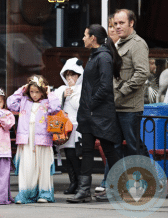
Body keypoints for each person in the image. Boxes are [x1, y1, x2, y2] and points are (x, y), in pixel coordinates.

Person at [67, 24, 122, 203]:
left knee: (108, 150)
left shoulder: (103, 57)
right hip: (91, 113)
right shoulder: (95, 56)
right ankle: (83, 191)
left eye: (85, 35)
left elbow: (106, 87)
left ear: (93, 38)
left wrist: (91, 104)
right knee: (87, 150)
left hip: (100, 113)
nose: (83, 38)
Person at [7, 75, 61, 204]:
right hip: (26, 139)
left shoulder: (47, 102)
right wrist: (21, 90)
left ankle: (44, 194)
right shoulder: (24, 101)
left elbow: (56, 108)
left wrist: (50, 93)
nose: (34, 95)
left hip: (42, 139)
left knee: (43, 166)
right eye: (32, 91)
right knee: (27, 166)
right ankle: (26, 194)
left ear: (42, 91)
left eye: (37, 92)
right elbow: (10, 103)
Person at [113, 9, 150, 158]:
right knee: (114, 147)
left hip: (130, 107)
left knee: (134, 146)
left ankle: (151, 177)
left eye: (121, 23)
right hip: (116, 105)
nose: (117, 26)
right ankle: (109, 181)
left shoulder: (138, 44)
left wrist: (122, 91)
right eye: (115, 23)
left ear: (131, 23)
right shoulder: (118, 44)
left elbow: (142, 73)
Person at [95, 14, 120, 194]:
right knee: (110, 145)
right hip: (110, 104)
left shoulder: (112, 51)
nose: (113, 29)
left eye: (116, 25)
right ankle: (107, 180)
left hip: (120, 102)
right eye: (110, 26)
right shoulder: (106, 50)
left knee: (118, 145)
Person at [54, 58, 83, 195]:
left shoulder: (83, 88)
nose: (70, 78)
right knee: (68, 156)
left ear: (79, 75)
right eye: (67, 75)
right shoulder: (61, 89)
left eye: (73, 75)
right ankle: (73, 182)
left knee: (75, 156)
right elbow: (53, 104)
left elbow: (79, 106)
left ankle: (79, 184)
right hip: (64, 128)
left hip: (77, 128)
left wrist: (72, 93)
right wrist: (63, 95)